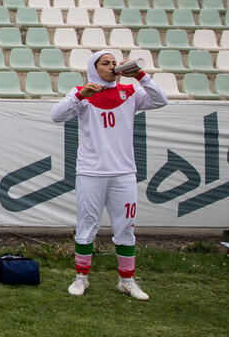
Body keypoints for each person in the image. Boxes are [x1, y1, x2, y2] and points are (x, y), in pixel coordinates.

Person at [51, 50, 168, 301]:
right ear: (94, 68)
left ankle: (126, 280)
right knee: (87, 226)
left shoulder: (131, 92)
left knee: (125, 227)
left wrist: (141, 76)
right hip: (91, 172)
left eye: (114, 63)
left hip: (124, 173)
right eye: (106, 63)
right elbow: (56, 115)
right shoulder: (83, 93)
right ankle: (81, 277)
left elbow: (161, 100)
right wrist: (78, 95)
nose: (112, 66)